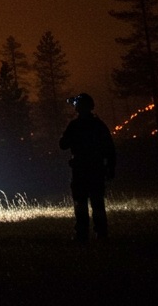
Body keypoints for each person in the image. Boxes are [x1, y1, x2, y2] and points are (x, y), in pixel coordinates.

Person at [59, 92, 116, 243]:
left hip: (80, 170)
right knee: (97, 203)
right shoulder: (98, 125)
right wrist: (111, 168)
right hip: (96, 169)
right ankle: (101, 233)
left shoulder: (75, 125)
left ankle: (82, 234)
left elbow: (63, 145)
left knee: (81, 203)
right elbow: (109, 148)